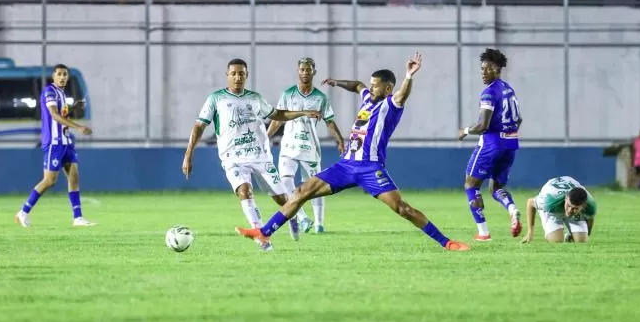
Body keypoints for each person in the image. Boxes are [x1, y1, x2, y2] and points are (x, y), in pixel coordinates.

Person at [235, 52, 470, 251]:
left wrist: (408, 75)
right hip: (346, 166)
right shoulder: (367, 98)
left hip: (370, 168)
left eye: (376, 84)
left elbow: (402, 94)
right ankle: (264, 232)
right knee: (301, 191)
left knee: (402, 209)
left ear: (387, 88)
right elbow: (357, 85)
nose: (370, 87)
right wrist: (337, 83)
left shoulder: (390, 104)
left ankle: (447, 243)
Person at [183, 58, 321, 251]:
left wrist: (303, 112)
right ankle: (261, 235)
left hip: (260, 157)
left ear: (246, 75)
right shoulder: (216, 99)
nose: (238, 77)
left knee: (283, 200)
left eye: (241, 73)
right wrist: (189, 154)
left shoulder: (255, 98)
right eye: (234, 74)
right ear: (227, 75)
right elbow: (199, 126)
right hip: (233, 159)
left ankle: (293, 218)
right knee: (244, 190)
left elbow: (278, 115)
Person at [266, 57, 346, 234]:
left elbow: (330, 122)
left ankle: (319, 224)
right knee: (285, 181)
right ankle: (303, 218)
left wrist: (339, 141)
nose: (305, 73)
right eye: (302, 69)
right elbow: (278, 119)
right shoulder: (288, 94)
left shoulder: (320, 98)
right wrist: (265, 138)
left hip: (310, 148)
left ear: (314, 72)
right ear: (298, 71)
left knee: (316, 188)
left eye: (308, 70)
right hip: (289, 147)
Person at [15, 64, 96, 228]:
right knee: (50, 180)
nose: (62, 77)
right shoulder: (49, 91)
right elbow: (54, 115)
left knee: (74, 177)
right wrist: (78, 127)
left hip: (66, 141)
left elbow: (62, 114)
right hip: (54, 142)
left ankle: (78, 217)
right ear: (53, 77)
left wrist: (74, 107)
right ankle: (23, 212)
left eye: (65, 74)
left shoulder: (62, 94)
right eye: (59, 74)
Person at [458, 48, 523, 241]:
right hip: (510, 144)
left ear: (497, 69)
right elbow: (519, 119)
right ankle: (512, 209)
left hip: (491, 145)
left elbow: (482, 125)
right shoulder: (509, 89)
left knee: (471, 185)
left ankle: (484, 233)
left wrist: (465, 131)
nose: (483, 73)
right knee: (495, 188)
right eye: (482, 69)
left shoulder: (489, 93)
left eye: (488, 69)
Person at [522, 175, 597, 244]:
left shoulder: (590, 205)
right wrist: (530, 232)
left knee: (581, 241)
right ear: (566, 198)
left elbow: (590, 218)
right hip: (553, 211)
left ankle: (570, 235)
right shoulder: (550, 201)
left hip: (570, 204)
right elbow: (530, 203)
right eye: (568, 205)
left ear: (583, 206)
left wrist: (587, 234)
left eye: (575, 208)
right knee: (557, 241)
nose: (570, 210)